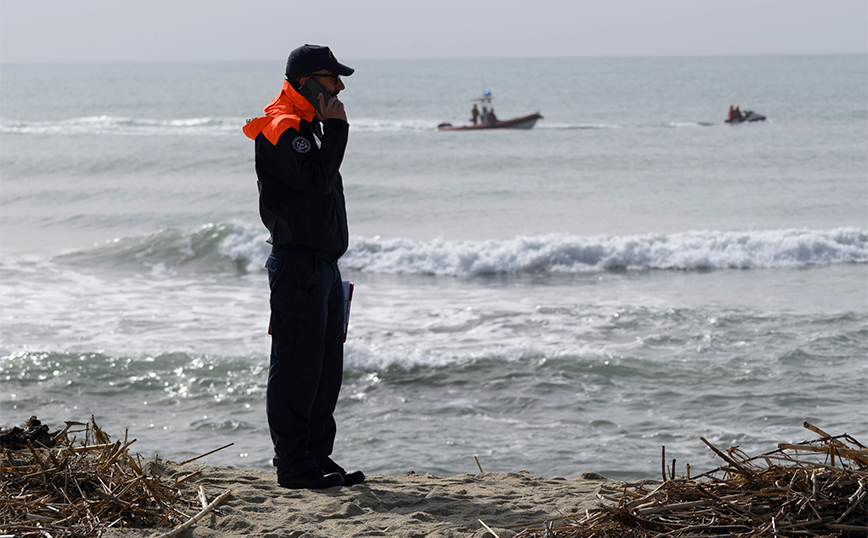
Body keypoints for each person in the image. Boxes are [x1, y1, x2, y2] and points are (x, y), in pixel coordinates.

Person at [242, 44, 364, 490]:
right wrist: (338, 130)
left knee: (325, 368)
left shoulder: (308, 126)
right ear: (307, 82)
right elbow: (315, 181)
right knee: (296, 366)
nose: (340, 87)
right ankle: (293, 466)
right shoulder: (281, 126)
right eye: (333, 79)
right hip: (297, 266)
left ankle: (316, 456)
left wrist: (328, 129)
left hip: (324, 267)